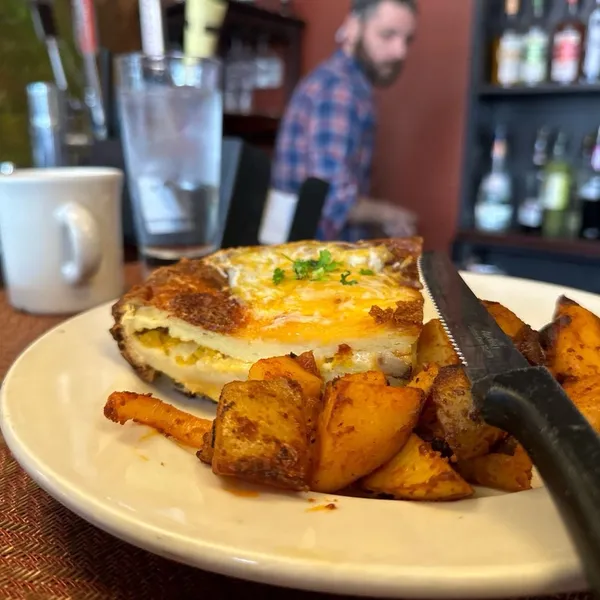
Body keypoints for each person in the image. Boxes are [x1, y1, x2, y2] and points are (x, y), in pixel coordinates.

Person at [271, 0, 418, 242]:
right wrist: (390, 215)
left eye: (407, 39)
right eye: (387, 35)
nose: (400, 51)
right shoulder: (339, 90)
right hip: (309, 264)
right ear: (353, 27)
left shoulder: (347, 85)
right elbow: (333, 198)